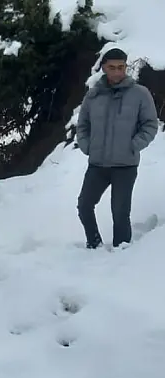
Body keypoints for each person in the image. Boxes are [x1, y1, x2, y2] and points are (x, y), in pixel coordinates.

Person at [76, 47, 159, 249]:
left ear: (126, 67)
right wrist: (87, 145)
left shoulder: (140, 94)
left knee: (120, 212)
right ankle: (93, 244)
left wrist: (135, 145)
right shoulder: (93, 95)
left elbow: (150, 124)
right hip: (98, 164)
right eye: (112, 67)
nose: (117, 72)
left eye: (121, 67)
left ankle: (121, 253)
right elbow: (83, 124)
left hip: (125, 165)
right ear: (104, 68)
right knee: (84, 205)